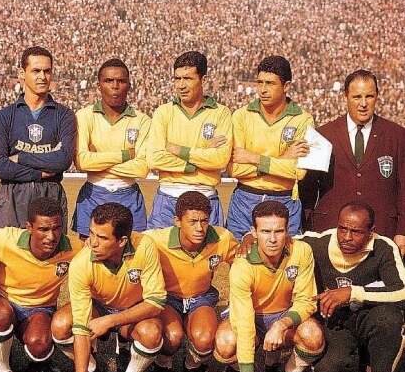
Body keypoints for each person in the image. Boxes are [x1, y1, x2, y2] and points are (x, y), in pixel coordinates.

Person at [51, 203, 167, 372]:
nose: (92, 242)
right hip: (99, 307)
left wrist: (111, 321)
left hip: (132, 308)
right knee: (61, 324)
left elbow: (156, 302)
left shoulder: (145, 246)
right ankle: (91, 368)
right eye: (92, 233)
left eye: (102, 237)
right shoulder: (81, 263)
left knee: (151, 333)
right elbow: (81, 327)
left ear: (122, 241)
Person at [214, 201, 324, 372]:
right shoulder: (242, 265)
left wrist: (282, 324)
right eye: (265, 231)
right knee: (226, 342)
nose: (272, 239)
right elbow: (245, 323)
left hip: (283, 314)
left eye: (278, 231)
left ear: (288, 230)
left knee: (313, 336)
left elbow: (306, 301)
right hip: (251, 317)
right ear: (254, 233)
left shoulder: (301, 251)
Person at [303, 202, 405, 372]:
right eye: (342, 228)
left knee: (389, 320)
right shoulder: (319, 242)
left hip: (370, 317)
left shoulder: (384, 247)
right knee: (327, 371)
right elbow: (280, 238)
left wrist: (352, 293)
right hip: (338, 322)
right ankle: (353, 362)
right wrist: (248, 238)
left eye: (356, 232)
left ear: (371, 232)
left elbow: (402, 292)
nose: (346, 237)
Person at [0, 197, 82, 372]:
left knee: (39, 344)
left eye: (57, 228)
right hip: (5, 299)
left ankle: (38, 365)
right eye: (43, 229)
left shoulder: (74, 247)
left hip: (41, 308)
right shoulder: (6, 239)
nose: (51, 236)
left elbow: (101, 248)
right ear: (29, 227)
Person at [299, 69, 405, 255]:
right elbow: (308, 191)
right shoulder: (323, 135)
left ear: (377, 96)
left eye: (369, 96)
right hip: (331, 231)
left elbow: (403, 188)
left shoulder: (397, 135)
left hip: (381, 232)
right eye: (357, 97)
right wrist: (310, 228)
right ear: (345, 96)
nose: (363, 104)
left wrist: (402, 231)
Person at [143, 191, 238, 372]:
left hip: (200, 297)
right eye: (192, 221)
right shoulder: (155, 239)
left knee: (205, 338)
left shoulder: (222, 238)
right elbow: (126, 246)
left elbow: (242, 261)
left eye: (204, 221)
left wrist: (247, 239)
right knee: (172, 336)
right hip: (168, 298)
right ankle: (162, 366)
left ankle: (193, 368)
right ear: (177, 221)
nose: (200, 228)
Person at [0, 46, 76, 233]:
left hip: (50, 193)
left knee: (50, 248)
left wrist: (20, 157)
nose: (42, 77)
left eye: (47, 71)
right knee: (10, 249)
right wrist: (39, 173)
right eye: (36, 71)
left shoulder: (64, 115)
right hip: (11, 195)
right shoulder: (5, 116)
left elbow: (63, 160)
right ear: (22, 73)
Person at [227, 55, 313, 241]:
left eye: (270, 83)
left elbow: (298, 172)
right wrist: (283, 159)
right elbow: (234, 169)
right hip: (245, 199)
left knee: (284, 257)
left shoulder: (302, 119)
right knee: (239, 256)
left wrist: (253, 158)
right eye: (260, 83)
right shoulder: (241, 116)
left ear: (286, 86)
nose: (263, 90)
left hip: (284, 200)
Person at [147, 51, 232, 229]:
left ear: (204, 80)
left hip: (206, 198)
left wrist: (177, 150)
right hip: (168, 199)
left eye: (188, 78)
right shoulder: (163, 112)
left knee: (211, 248)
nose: (181, 85)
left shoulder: (221, 113)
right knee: (159, 247)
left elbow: (220, 160)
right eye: (177, 79)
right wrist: (202, 157)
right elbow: (154, 159)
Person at [72, 58, 150, 238]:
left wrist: (97, 160)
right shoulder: (84, 116)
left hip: (129, 193)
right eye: (108, 81)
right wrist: (126, 155)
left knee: (132, 249)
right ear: (99, 85)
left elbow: (142, 168)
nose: (115, 86)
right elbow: (82, 162)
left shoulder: (142, 120)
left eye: (121, 81)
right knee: (89, 249)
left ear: (129, 85)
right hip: (93, 192)